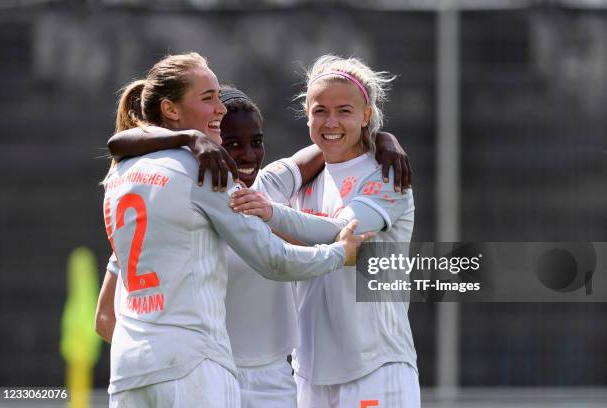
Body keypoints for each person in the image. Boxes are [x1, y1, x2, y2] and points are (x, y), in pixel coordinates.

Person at [96, 82, 410, 407]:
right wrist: (159, 355)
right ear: (208, 143)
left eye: (256, 142)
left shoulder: (268, 185)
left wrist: (382, 139)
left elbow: (332, 141)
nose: (248, 155)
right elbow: (105, 317)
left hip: (273, 382)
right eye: (231, 143)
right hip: (205, 372)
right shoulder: (174, 211)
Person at [229, 55, 420, 407]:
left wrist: (271, 214)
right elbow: (268, 184)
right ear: (306, 113)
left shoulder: (388, 174)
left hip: (376, 368)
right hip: (308, 373)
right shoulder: (303, 174)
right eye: (320, 111)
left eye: (345, 110)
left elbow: (339, 233)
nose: (331, 121)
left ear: (366, 115)